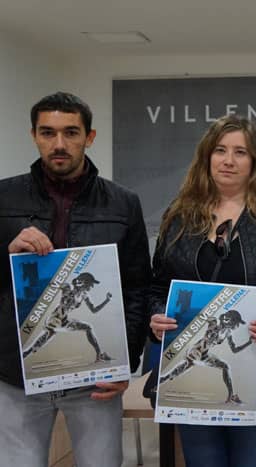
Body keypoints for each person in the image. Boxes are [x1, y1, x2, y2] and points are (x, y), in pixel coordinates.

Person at [149, 115, 256, 467]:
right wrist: (156, 315)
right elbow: (157, 286)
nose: (228, 160)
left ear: (255, 162)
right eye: (220, 150)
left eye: (240, 152)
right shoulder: (178, 216)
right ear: (206, 156)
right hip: (190, 369)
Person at [0, 91, 151, 467]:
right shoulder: (3, 197)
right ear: (34, 135)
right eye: (47, 133)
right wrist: (7, 253)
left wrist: (125, 362)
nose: (59, 144)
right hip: (16, 376)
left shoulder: (123, 203)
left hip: (93, 381)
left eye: (70, 132)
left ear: (89, 136)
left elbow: (137, 288)